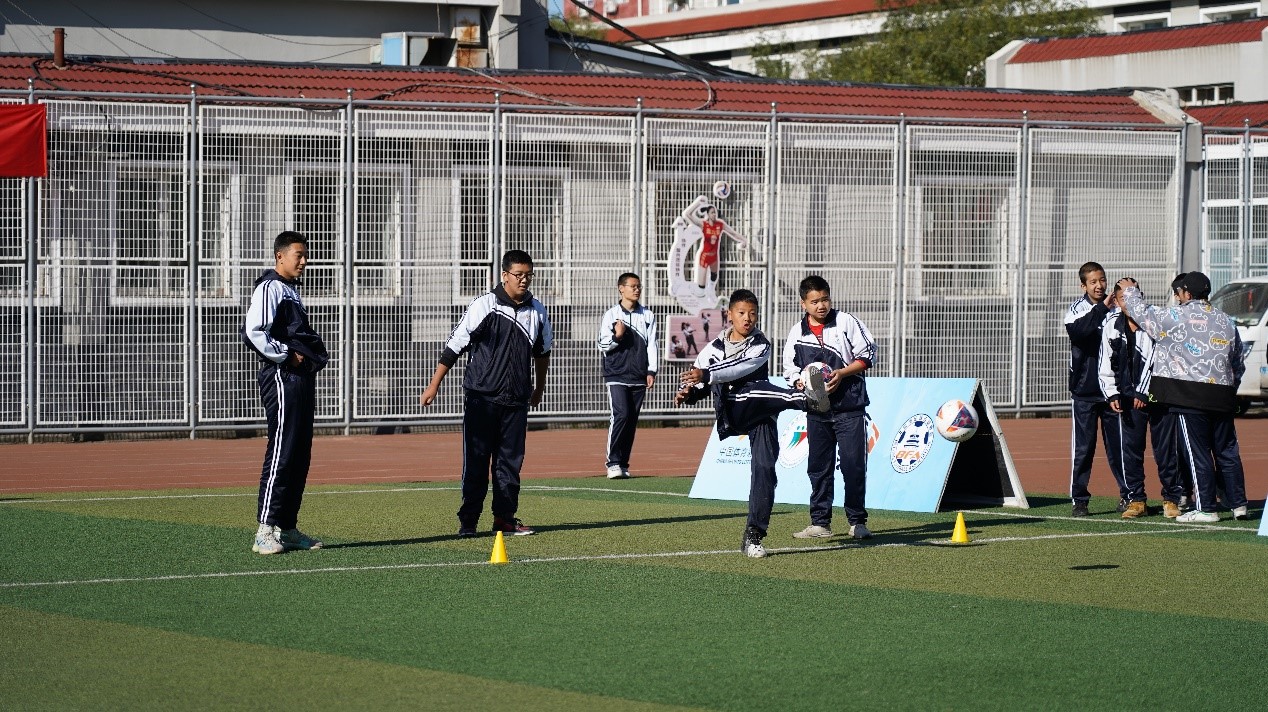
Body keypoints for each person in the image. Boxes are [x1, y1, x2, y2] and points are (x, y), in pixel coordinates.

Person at [675, 288, 830, 558]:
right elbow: (704, 380)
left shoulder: (761, 344)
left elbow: (739, 367)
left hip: (761, 415)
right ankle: (806, 398)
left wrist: (706, 375)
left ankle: (753, 535)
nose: (748, 318)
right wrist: (690, 393)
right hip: (735, 410)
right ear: (729, 315)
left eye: (753, 314)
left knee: (765, 471)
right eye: (742, 313)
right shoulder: (712, 349)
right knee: (758, 388)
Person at [421, 249, 552, 537]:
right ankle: (468, 522)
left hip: (516, 400)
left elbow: (542, 353)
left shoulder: (538, 311)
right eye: (518, 274)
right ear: (504, 275)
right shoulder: (485, 305)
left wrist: (538, 387)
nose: (524, 280)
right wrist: (434, 384)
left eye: (529, 275)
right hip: (482, 398)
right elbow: (455, 345)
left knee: (509, 463)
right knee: (477, 461)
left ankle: (504, 519)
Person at [1118, 272, 1249, 523]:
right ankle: (1239, 504)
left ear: (1187, 293)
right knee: (1227, 451)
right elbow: (1238, 362)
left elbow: (1143, 315)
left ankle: (1207, 508)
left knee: (1197, 453)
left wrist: (1130, 290)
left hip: (1190, 398)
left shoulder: (1176, 315)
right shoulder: (1226, 320)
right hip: (1222, 396)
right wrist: (1230, 388)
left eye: (1179, 293)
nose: (1177, 298)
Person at [241, 231, 329, 555]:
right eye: (299, 255)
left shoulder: (291, 291)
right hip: (281, 376)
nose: (304, 261)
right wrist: (286, 354)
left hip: (300, 378)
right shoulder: (270, 287)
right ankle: (265, 530)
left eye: (305, 255)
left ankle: (287, 527)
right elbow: (253, 331)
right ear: (280, 256)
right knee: (282, 449)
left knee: (300, 452)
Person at [782, 275, 878, 540]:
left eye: (825, 299)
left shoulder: (846, 321)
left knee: (853, 466)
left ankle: (857, 522)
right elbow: (789, 369)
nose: (821, 305)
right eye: (814, 301)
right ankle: (820, 523)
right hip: (817, 409)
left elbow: (868, 355)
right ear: (804, 304)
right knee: (818, 466)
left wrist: (842, 373)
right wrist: (802, 382)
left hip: (850, 408)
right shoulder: (796, 332)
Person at [1097, 285, 1184, 519]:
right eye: (1123, 297)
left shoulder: (1155, 319)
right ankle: (1136, 500)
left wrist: (1144, 392)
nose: (1129, 302)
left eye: (1133, 296)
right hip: (1127, 399)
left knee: (1166, 450)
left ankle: (1171, 499)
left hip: (1159, 397)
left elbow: (1159, 358)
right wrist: (1112, 394)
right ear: (1115, 300)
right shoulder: (1111, 325)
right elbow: (1105, 361)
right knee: (1131, 450)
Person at [1064, 261, 1122, 517]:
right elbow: (1080, 333)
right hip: (1085, 393)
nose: (1099, 286)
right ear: (1083, 285)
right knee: (1084, 448)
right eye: (1093, 282)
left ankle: (1129, 495)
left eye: (1102, 280)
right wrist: (1101, 309)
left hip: (1114, 392)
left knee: (1119, 446)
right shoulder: (1077, 310)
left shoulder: (1117, 309)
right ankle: (1080, 499)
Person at [597, 273, 657, 479]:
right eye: (632, 286)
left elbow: (652, 345)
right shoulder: (611, 315)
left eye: (638, 286)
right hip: (616, 374)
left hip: (639, 376)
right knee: (621, 414)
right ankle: (612, 462)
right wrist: (618, 336)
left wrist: (651, 370)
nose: (636, 289)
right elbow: (602, 345)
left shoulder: (648, 316)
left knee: (631, 419)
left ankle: (623, 463)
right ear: (621, 288)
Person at [678, 197, 748, 290]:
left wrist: (744, 240)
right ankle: (702, 297)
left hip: (714, 256)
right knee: (701, 286)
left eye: (715, 212)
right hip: (705, 256)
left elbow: (732, 233)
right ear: (707, 214)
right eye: (712, 212)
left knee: (714, 277)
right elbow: (687, 214)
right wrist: (697, 204)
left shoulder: (720, 224)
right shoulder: (703, 224)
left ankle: (711, 291)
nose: (714, 214)